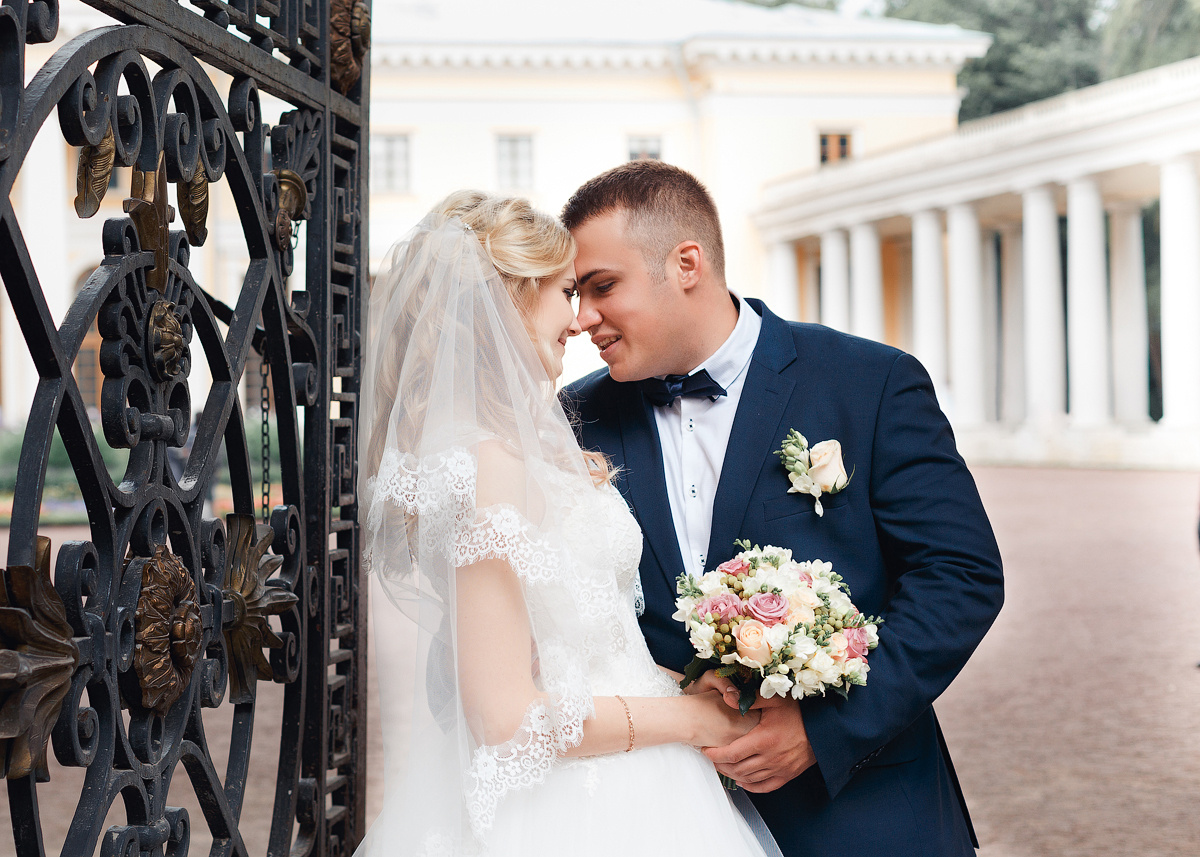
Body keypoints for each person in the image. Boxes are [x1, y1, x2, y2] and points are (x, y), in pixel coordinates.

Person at [560, 161, 1004, 857]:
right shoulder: (573, 420)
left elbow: (961, 575)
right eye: (573, 293)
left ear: (686, 263)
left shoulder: (869, 382)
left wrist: (825, 728)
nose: (582, 317)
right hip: (657, 813)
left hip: (862, 808)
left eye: (602, 287)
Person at [355, 191, 782, 857]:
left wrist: (687, 685)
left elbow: (578, 648)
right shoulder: (487, 465)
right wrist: (691, 719)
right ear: (509, 302)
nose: (580, 319)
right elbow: (503, 716)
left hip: (638, 772)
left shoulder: (517, 446)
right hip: (573, 804)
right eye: (563, 292)